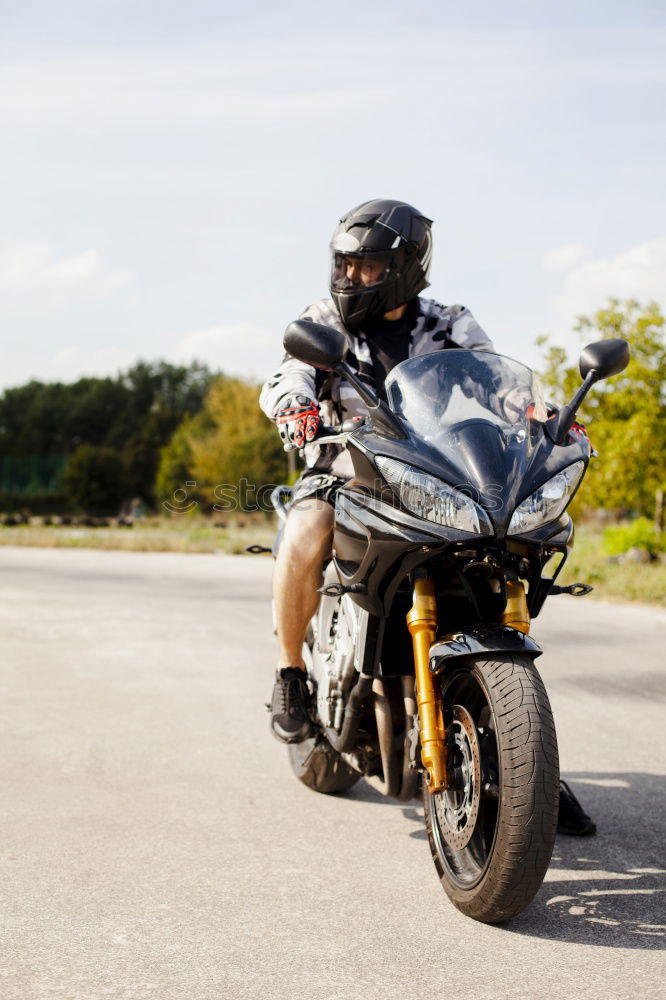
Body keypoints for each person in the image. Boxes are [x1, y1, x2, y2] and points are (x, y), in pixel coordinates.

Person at [259, 198, 596, 836]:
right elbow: (287, 378)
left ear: (407, 267)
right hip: (347, 464)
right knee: (304, 529)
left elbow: (502, 387)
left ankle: (530, 758)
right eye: (346, 264)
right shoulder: (324, 319)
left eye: (368, 265)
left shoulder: (448, 323)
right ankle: (291, 676)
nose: (352, 277)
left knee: (500, 553)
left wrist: (540, 413)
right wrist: (297, 412)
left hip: (433, 471)